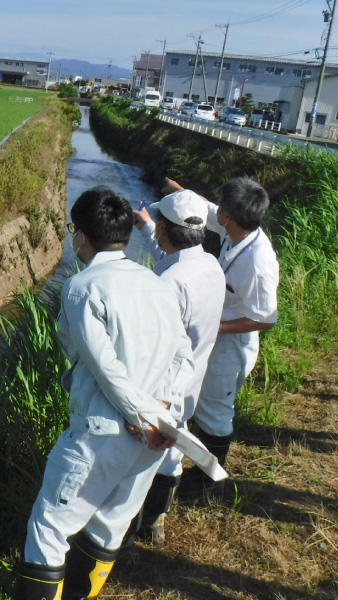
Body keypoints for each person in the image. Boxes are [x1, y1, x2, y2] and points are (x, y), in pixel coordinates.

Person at [15, 187, 194, 600]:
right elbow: (184, 355)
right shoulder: (155, 281)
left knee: (49, 527)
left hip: (104, 432)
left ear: (81, 235)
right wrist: (164, 408)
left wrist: (142, 416)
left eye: (73, 232)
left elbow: (104, 367)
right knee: (107, 528)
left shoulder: (82, 287)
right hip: (152, 439)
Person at [163, 177, 279, 496]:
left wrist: (214, 327)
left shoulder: (259, 262)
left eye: (222, 209)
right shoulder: (237, 227)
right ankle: (201, 470)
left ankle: (206, 481)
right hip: (217, 337)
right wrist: (179, 191)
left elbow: (265, 318)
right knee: (203, 404)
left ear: (229, 217)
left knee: (216, 413)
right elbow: (208, 207)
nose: (218, 213)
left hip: (231, 346)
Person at [127, 189, 226, 543]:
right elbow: (172, 258)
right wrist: (146, 227)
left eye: (158, 225)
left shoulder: (167, 285)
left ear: (166, 231)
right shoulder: (210, 263)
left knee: (141, 459)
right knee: (171, 454)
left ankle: (128, 531)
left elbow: (153, 349)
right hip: (191, 384)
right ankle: (156, 522)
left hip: (163, 391)